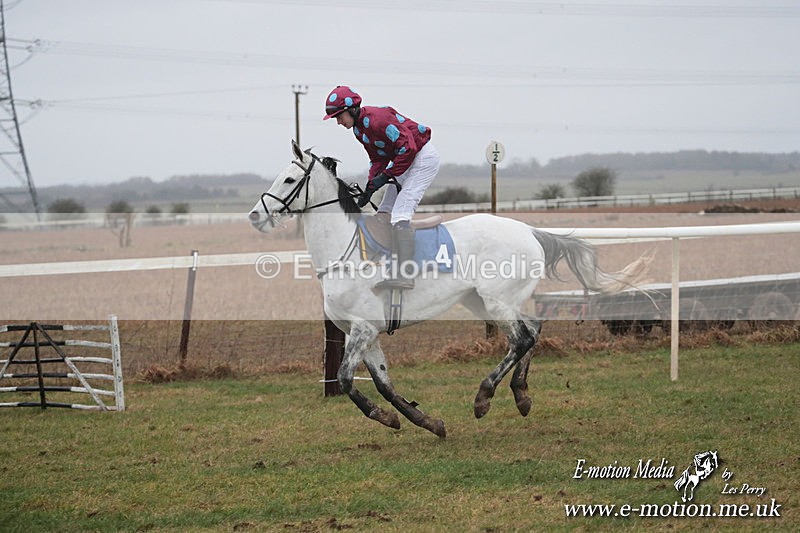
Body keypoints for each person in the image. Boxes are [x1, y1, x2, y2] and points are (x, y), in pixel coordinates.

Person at [323, 85, 440, 290]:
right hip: (403, 160)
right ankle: (391, 267)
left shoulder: (379, 119)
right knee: (384, 212)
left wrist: (386, 176)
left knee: (400, 215)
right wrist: (370, 187)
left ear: (351, 109)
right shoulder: (359, 130)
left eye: (339, 116)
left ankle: (406, 274)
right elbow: (377, 158)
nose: (338, 122)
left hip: (421, 158)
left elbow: (409, 148)